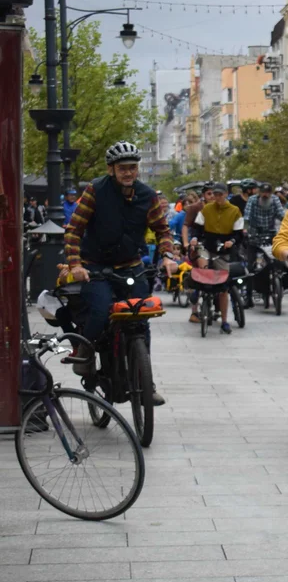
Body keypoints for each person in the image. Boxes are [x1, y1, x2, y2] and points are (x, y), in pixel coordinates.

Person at [63, 141, 178, 402]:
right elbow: (74, 231)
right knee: (101, 309)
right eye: (123, 168)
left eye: (133, 168)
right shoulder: (95, 190)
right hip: (96, 267)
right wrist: (76, 265)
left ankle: (143, 380)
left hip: (130, 265)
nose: (128, 173)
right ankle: (86, 349)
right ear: (111, 169)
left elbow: (162, 230)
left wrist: (169, 257)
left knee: (141, 317)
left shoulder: (147, 195)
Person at [190, 183, 244, 334]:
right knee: (203, 262)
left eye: (220, 194)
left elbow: (239, 234)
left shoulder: (234, 211)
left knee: (223, 288)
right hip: (207, 246)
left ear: (226, 194)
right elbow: (197, 228)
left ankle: (225, 321)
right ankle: (198, 288)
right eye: (215, 194)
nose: (217, 197)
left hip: (223, 251)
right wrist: (194, 238)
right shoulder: (206, 209)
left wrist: (231, 242)